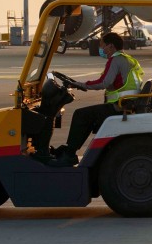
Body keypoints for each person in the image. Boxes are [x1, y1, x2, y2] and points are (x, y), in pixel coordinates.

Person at [50, 32, 144, 167]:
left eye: (102, 45)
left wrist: (80, 84)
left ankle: (69, 154)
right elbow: (115, 83)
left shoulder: (116, 60)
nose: (101, 49)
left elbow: (103, 83)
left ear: (110, 46)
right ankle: (69, 150)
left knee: (80, 114)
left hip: (119, 106)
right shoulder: (127, 59)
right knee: (88, 117)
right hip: (125, 104)